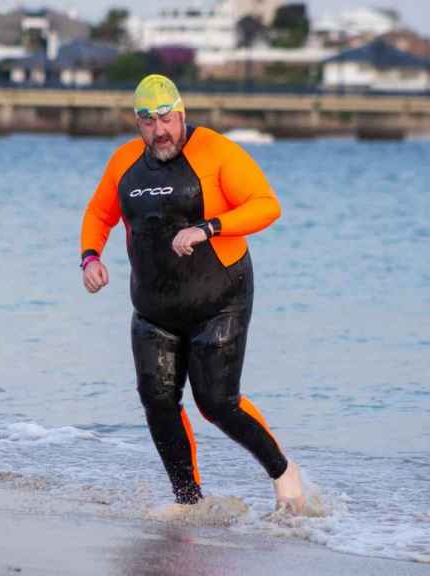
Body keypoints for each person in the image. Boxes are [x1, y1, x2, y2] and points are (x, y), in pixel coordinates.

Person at [79, 74, 304, 513]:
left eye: (166, 119)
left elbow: (265, 204)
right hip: (153, 308)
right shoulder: (124, 162)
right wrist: (90, 258)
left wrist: (208, 228)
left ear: (181, 113)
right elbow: (98, 212)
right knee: (158, 402)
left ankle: (283, 472)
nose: (159, 130)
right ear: (138, 123)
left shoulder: (217, 152)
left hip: (219, 299)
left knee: (217, 403)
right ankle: (189, 503)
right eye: (148, 122)